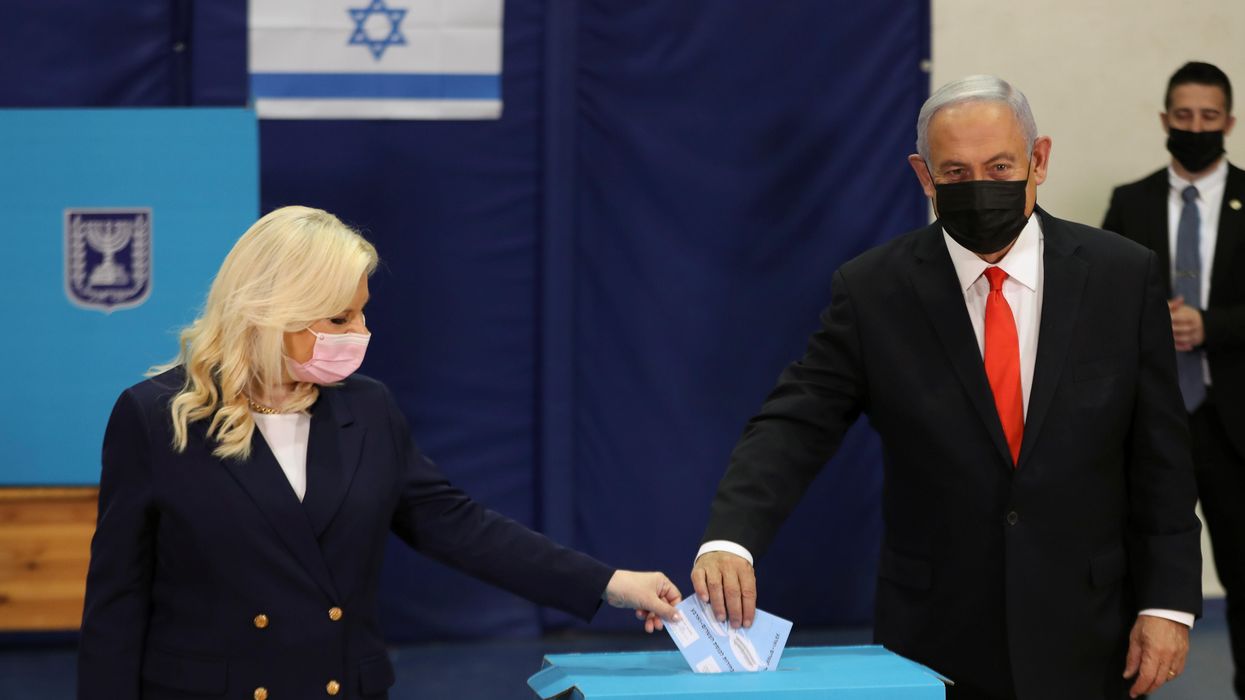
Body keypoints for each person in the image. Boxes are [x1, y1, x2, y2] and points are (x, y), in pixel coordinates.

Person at [690, 75, 1202, 699]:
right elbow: (796, 424)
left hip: (1093, 627)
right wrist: (731, 538)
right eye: (955, 173)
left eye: (999, 165)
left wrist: (1169, 604)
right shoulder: (874, 290)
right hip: (935, 632)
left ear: (1038, 160)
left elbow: (1162, 456)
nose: (979, 186)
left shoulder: (1123, 276)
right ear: (923, 176)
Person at [78, 206, 682, 700]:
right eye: (338, 317)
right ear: (269, 312)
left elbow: (460, 527)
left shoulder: (367, 409)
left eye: (362, 312)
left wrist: (611, 583)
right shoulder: (155, 417)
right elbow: (116, 602)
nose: (359, 333)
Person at [1102, 60, 1245, 697]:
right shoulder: (1129, 202)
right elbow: (1098, 301)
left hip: (1230, 418)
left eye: (1208, 118)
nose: (1194, 128)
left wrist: (1210, 326)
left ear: (1229, 123)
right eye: (1182, 117)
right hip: (1151, 420)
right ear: (1165, 120)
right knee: (1135, 569)